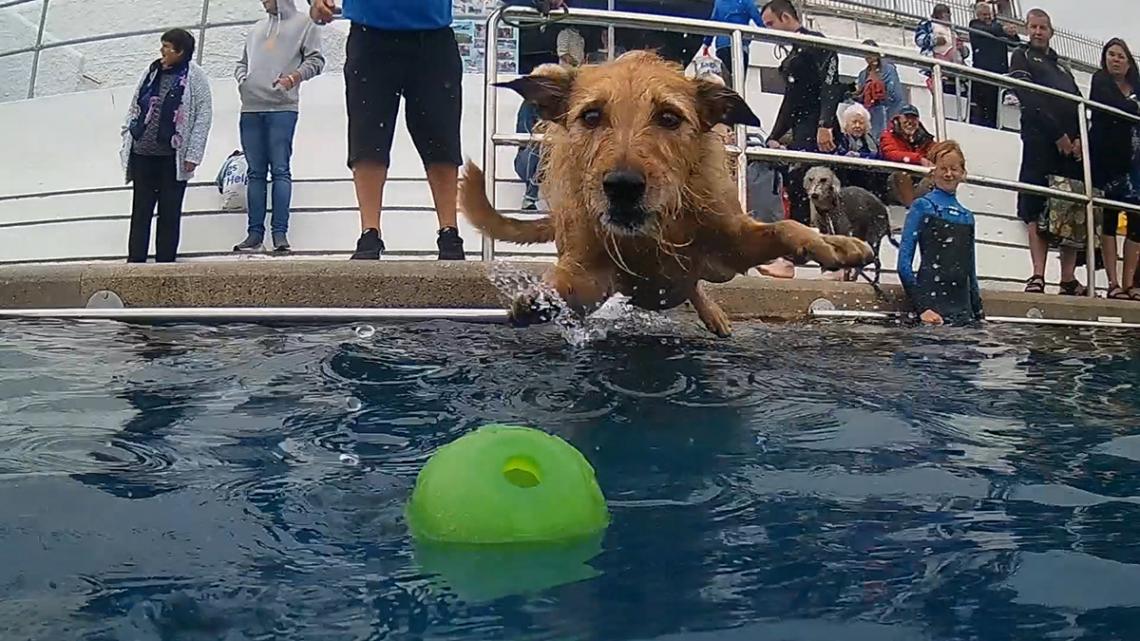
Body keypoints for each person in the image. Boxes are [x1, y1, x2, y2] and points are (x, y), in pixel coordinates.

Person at [310, 0, 511, 260]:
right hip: (369, 34)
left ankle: (449, 232)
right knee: (367, 137)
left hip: (433, 36)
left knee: (441, 136)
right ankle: (369, 233)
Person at [232, 0, 325, 254]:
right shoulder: (256, 29)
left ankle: (280, 234)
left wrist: (292, 79)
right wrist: (243, 80)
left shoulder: (304, 24)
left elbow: (316, 60)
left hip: (282, 108)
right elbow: (241, 63)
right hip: (251, 108)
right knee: (255, 172)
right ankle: (254, 235)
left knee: (281, 170)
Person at [1009, 8, 1085, 295]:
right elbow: (1028, 96)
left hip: (1070, 149)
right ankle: (1038, 274)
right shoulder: (1021, 56)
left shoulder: (1063, 67)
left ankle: (1068, 278)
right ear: (1027, 29)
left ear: (1051, 32)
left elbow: (1078, 102)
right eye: (1034, 27)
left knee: (1071, 207)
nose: (1038, 32)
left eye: (1043, 28)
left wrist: (1079, 138)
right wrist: (1057, 135)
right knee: (1036, 207)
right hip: (1040, 142)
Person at [120, 29, 213, 264]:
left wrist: (193, 154)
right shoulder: (152, 71)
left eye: (167, 47)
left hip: (172, 158)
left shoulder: (195, 77)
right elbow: (135, 104)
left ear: (180, 51)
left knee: (169, 213)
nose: (162, 51)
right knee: (140, 211)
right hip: (142, 154)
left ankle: (165, 264)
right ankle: (135, 262)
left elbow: (203, 115)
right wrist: (127, 133)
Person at [761, 0, 842, 221]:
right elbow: (790, 101)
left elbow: (830, 85)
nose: (769, 30)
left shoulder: (814, 42)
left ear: (786, 18)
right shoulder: (795, 51)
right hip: (801, 128)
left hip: (817, 125)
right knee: (798, 185)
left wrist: (825, 124)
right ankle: (802, 233)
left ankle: (819, 231)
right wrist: (773, 136)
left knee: (821, 189)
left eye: (770, 24)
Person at [897, 140, 984, 325]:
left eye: (954, 169)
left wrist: (979, 314)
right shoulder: (922, 207)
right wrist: (923, 308)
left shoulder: (967, 217)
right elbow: (904, 265)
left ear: (962, 173)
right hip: (931, 306)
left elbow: (971, 272)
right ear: (933, 171)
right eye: (943, 168)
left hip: (963, 310)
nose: (948, 174)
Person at [1090, 38, 1140, 301]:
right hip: (1109, 162)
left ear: (1129, 62)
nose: (1116, 60)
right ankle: (1113, 282)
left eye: (1121, 56)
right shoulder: (1100, 80)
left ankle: (1130, 282)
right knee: (1109, 221)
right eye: (1112, 54)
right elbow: (1113, 107)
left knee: (1136, 224)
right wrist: (1133, 106)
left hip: (1136, 163)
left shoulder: (1137, 86)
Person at [968, 1, 1020, 129]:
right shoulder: (974, 25)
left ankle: (994, 126)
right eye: (984, 14)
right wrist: (1003, 30)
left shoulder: (996, 26)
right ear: (978, 15)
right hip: (983, 73)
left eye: (989, 14)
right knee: (981, 107)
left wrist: (1013, 34)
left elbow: (1014, 42)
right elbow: (987, 30)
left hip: (999, 72)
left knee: (995, 106)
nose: (988, 17)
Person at [702, 0, 765, 89]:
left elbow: (713, 22)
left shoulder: (720, 2)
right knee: (738, 82)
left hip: (722, 46)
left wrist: (706, 43)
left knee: (725, 81)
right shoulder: (746, 2)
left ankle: (725, 95)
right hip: (740, 46)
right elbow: (760, 21)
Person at [880, 105, 934, 207]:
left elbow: (935, 150)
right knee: (902, 176)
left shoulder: (925, 138)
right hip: (891, 182)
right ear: (899, 119)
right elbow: (891, 154)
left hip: (918, 180)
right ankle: (912, 209)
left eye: (913, 118)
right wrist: (919, 159)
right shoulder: (888, 135)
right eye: (906, 118)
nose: (910, 122)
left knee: (934, 178)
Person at [915, 3, 970, 94]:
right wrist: (935, 40)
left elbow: (964, 52)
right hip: (937, 64)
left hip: (955, 66)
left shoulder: (952, 29)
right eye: (944, 15)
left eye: (948, 15)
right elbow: (919, 40)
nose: (946, 17)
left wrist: (962, 49)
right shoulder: (928, 25)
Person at [855, 39, 905, 138]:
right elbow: (860, 96)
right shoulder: (863, 75)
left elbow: (896, 96)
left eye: (871, 52)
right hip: (870, 116)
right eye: (865, 53)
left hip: (888, 113)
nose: (869, 56)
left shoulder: (889, 69)